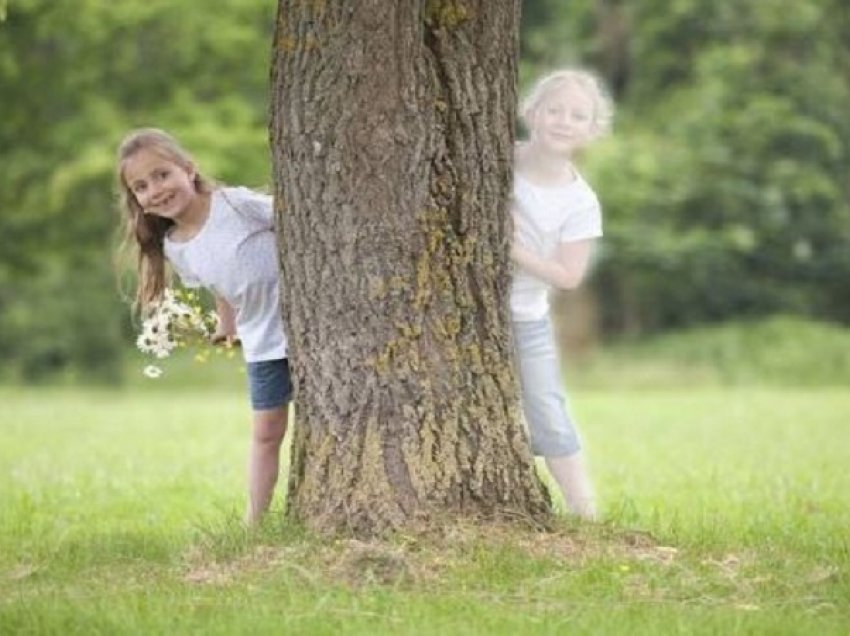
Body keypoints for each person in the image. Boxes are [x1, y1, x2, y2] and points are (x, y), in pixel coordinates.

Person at [116, 128, 291, 524]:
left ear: (189, 170)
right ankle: (254, 521)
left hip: (309, 332)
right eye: (141, 186)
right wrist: (226, 325)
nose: (155, 189)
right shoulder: (176, 246)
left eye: (162, 175)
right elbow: (221, 285)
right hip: (263, 342)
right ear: (137, 201)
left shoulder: (235, 204)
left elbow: (295, 221)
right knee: (266, 431)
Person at [510, 69, 613, 519]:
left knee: (547, 410)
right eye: (554, 109)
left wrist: (511, 250)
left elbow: (568, 276)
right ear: (532, 112)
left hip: (523, 317)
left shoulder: (579, 202)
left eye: (577, 115)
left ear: (592, 130)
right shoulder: (499, 161)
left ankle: (585, 512)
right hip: (463, 317)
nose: (563, 121)